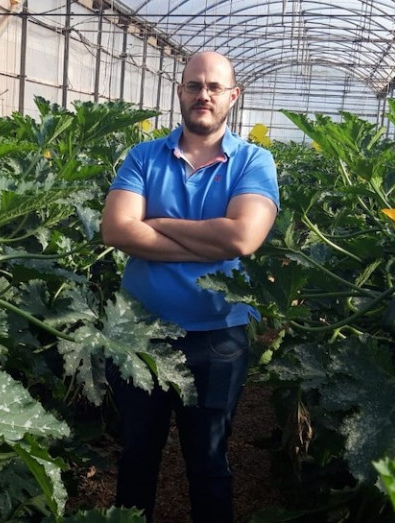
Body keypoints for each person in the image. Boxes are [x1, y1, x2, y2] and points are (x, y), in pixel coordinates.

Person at [100, 51, 280, 522]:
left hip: (217, 339)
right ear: (180, 92)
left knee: (209, 463)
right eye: (194, 85)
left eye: (214, 87)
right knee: (136, 456)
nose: (204, 94)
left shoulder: (254, 161)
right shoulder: (143, 156)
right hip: (138, 333)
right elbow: (116, 230)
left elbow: (242, 239)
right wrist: (208, 243)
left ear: (232, 96)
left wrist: (156, 224)